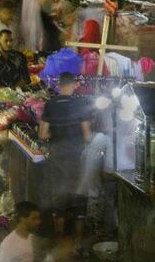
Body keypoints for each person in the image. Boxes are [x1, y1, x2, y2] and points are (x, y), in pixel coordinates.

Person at [38, 72, 94, 218]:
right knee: (79, 192)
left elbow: (42, 134)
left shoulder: (50, 104)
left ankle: (59, 234)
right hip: (77, 153)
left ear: (59, 85)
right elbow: (87, 135)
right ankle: (77, 235)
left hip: (57, 152)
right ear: (74, 85)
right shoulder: (80, 104)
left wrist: (55, 134)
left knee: (59, 193)